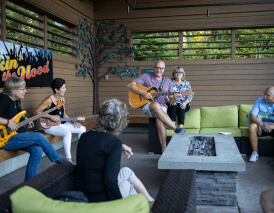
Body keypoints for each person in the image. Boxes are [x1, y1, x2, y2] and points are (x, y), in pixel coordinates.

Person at [74, 98, 154, 202]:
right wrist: (117, 205)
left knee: (127, 172)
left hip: (82, 191)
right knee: (128, 185)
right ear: (120, 121)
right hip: (99, 197)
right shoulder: (114, 143)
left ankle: (149, 200)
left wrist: (121, 146)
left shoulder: (85, 136)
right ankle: (147, 203)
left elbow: (98, 145)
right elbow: (110, 181)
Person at [0, 76, 72, 181]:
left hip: (18, 134)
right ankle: (58, 160)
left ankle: (30, 183)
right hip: (5, 138)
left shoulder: (17, 100)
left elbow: (16, 116)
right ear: (13, 90)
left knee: (37, 150)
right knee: (39, 136)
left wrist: (26, 120)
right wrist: (7, 122)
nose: (25, 91)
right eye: (22, 89)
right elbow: (8, 120)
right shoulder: (3, 99)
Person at [127, 60, 185, 153]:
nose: (158, 69)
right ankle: (174, 128)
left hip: (162, 107)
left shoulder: (168, 81)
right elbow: (130, 85)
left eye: (161, 68)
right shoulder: (146, 76)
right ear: (154, 68)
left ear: (164, 70)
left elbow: (170, 101)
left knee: (159, 122)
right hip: (148, 106)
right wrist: (143, 93)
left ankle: (164, 150)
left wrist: (175, 98)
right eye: (157, 67)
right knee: (155, 104)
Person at [34, 78, 86, 164]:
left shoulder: (62, 99)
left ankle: (82, 155)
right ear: (56, 89)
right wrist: (50, 116)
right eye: (63, 88)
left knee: (82, 128)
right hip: (50, 126)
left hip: (61, 124)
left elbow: (64, 114)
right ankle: (69, 159)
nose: (65, 90)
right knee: (67, 133)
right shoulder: (49, 100)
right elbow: (36, 112)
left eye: (65, 87)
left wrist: (73, 121)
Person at [248, 87, 274, 162]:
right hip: (261, 127)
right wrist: (262, 125)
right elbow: (252, 117)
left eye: (267, 95)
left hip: (273, 127)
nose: (264, 96)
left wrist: (272, 126)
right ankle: (255, 153)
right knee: (252, 126)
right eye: (264, 94)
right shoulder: (259, 101)